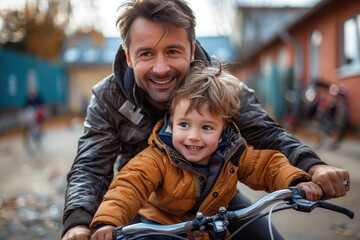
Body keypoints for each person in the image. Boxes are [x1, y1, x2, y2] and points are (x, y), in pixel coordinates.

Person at [61, 1, 350, 240]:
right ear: (129, 57)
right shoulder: (108, 96)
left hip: (216, 195)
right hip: (148, 204)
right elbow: (91, 165)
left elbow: (265, 134)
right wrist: (79, 223)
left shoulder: (221, 88)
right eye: (146, 54)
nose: (161, 68)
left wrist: (312, 167)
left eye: (173, 51)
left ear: (191, 48)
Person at [89, 63, 324, 240]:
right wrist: (107, 222)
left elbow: (266, 166)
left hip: (210, 224)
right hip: (161, 227)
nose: (193, 136)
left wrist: (297, 180)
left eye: (207, 127)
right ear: (171, 121)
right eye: (184, 125)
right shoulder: (156, 158)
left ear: (223, 130)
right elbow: (128, 186)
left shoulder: (233, 151)